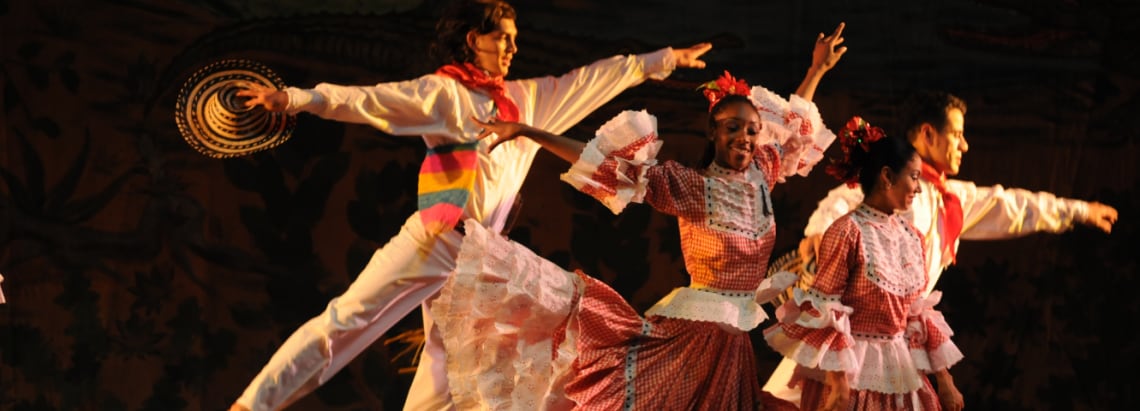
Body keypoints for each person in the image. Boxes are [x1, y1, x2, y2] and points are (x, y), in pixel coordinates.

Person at [226, 0, 714, 409]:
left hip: (479, 260)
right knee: (346, 321)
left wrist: (663, 59)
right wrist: (295, 99)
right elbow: (371, 101)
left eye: (514, 38)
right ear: (471, 40)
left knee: (446, 377)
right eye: (501, 36)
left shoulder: (527, 101)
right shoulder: (444, 94)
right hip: (438, 239)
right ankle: (252, 405)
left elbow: (593, 79)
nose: (511, 47)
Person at [428, 23, 848, 409]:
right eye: (732, 128)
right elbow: (606, 166)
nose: (744, 138)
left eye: (752, 130)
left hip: (733, 343)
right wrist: (528, 133)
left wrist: (816, 71)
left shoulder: (763, 173)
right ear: (712, 132)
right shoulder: (690, 187)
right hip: (692, 339)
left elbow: (792, 132)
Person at [763, 90, 1120, 406]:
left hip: (895, 345)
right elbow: (842, 207)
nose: (964, 145)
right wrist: (819, 233)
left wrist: (1079, 211)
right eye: (958, 134)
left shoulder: (951, 199)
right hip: (849, 341)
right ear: (927, 134)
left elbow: (1013, 206)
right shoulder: (886, 186)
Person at [764, 117, 965, 411]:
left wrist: (945, 381)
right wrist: (839, 382)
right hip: (853, 369)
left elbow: (916, 315)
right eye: (913, 177)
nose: (918, 188)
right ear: (887, 176)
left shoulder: (912, 237)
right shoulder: (847, 231)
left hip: (899, 368)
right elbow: (826, 310)